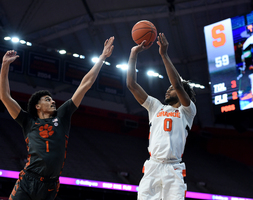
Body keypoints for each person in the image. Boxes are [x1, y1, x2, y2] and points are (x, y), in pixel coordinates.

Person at [0, 37, 114, 200]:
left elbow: (85, 84)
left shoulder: (63, 115)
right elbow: (4, 96)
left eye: (51, 99)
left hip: (49, 186)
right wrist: (5, 65)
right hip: (27, 180)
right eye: (47, 99)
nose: (52, 101)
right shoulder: (28, 121)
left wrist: (102, 57)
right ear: (37, 106)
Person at [127, 33, 197, 200]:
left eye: (170, 88)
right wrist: (133, 55)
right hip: (153, 166)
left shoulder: (188, 111)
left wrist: (164, 54)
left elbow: (178, 84)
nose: (168, 89)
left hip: (173, 169)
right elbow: (131, 84)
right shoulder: (155, 107)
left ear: (183, 94)